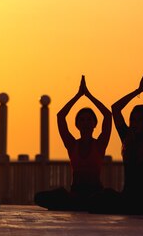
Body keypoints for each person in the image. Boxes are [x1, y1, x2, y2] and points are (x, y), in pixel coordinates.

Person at [90, 73, 143, 215]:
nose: (135, 123)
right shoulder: (127, 138)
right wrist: (137, 92)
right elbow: (115, 108)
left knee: (141, 207)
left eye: (139, 120)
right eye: (133, 120)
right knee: (97, 200)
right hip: (129, 196)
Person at [34, 76, 111, 211]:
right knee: (39, 197)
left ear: (94, 124)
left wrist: (89, 95)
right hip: (76, 194)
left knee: (108, 197)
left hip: (95, 194)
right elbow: (61, 116)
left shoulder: (99, 145)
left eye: (88, 120)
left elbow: (107, 115)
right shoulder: (72, 145)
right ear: (76, 124)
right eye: (82, 120)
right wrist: (78, 96)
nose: (85, 123)